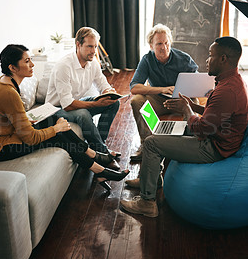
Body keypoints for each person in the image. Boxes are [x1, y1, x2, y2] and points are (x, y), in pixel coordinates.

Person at [120, 36, 248, 217]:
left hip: (214, 146)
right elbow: (217, 114)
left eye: (210, 55)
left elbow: (202, 129)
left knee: (151, 143)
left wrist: (186, 109)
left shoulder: (227, 90)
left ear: (223, 59)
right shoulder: (230, 81)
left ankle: (147, 202)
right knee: (162, 131)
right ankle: (154, 180)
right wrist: (193, 106)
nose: (206, 59)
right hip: (214, 135)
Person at [0, 44, 129, 192]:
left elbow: (7, 118)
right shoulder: (8, 92)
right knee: (58, 136)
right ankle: (99, 168)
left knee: (51, 119)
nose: (32, 64)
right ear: (12, 68)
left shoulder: (6, 82)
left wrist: (34, 121)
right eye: (27, 61)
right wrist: (56, 129)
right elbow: (30, 138)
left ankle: (94, 156)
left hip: (6, 134)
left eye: (31, 59)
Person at [45, 27, 121, 169]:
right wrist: (96, 104)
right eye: (90, 46)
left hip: (74, 102)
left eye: (96, 46)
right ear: (78, 45)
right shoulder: (64, 66)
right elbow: (67, 105)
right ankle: (103, 153)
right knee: (83, 113)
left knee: (114, 104)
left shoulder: (93, 63)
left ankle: (99, 146)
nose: (94, 51)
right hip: (56, 109)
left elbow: (103, 84)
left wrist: (109, 92)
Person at [129, 23, 198, 163]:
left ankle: (186, 146)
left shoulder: (184, 58)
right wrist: (162, 89)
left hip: (182, 99)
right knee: (136, 101)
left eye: (166, 43)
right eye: (159, 44)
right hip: (159, 99)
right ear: (151, 46)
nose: (164, 47)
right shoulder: (147, 59)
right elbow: (134, 87)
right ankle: (147, 143)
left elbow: (197, 81)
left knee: (193, 107)